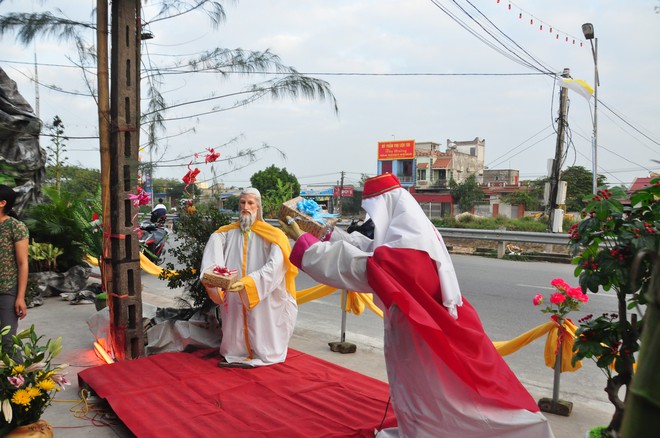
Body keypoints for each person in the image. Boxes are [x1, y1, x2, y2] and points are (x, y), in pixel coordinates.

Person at [279, 173, 554, 438]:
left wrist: (307, 245)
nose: (372, 219)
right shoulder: (409, 231)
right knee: (424, 387)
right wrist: (328, 235)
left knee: (433, 388)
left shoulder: (406, 248)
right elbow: (367, 246)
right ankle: (420, 429)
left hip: (424, 329)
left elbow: (364, 267)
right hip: (424, 322)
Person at [200, 188, 298, 367]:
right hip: (233, 292)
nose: (246, 207)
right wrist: (216, 278)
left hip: (264, 294)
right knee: (235, 321)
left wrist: (249, 283)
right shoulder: (226, 233)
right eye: (242, 203)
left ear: (258, 207)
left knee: (262, 322)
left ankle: (264, 353)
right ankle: (236, 353)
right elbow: (213, 261)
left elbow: (276, 266)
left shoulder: (275, 236)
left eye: (251, 203)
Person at [0, 184, 29, 358]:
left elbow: (22, 263)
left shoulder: (15, 227)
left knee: (8, 341)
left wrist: (20, 297)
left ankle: (20, 383)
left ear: (2, 203)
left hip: (7, 289)